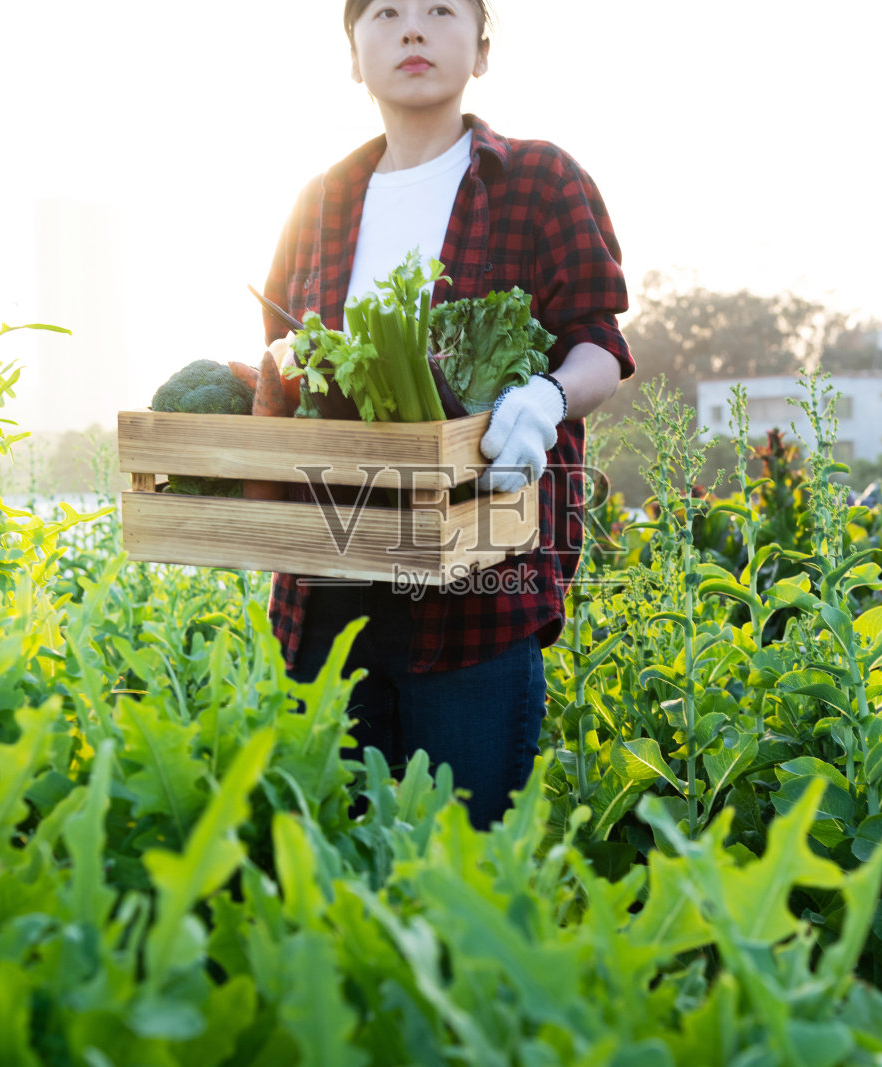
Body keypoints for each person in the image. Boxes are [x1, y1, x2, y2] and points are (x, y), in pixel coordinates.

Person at [262, 0, 633, 829]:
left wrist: (547, 397)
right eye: (385, 11)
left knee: (464, 874)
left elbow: (599, 344)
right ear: (353, 55)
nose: (413, 29)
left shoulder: (538, 180)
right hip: (326, 599)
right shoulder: (318, 203)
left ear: (482, 48)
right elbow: (281, 362)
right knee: (334, 871)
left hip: (478, 603)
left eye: (440, 8)